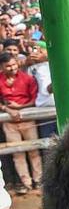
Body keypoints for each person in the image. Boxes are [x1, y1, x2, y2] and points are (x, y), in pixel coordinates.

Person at [0, 52, 41, 194]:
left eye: (13, 64)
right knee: (17, 153)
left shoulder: (28, 79)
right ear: (2, 67)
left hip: (28, 118)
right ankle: (26, 183)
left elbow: (35, 100)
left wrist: (19, 107)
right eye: (8, 66)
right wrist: (7, 109)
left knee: (34, 150)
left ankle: (39, 180)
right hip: (9, 121)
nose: (12, 68)